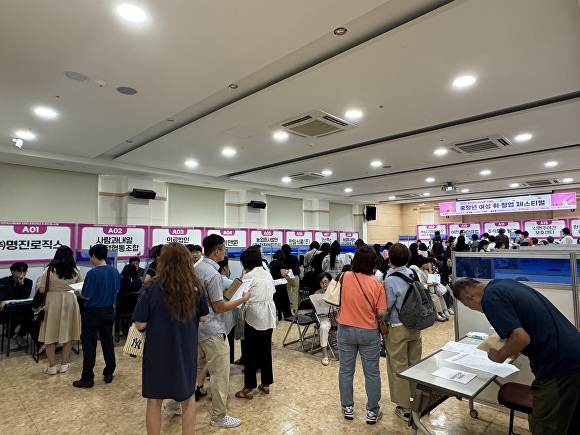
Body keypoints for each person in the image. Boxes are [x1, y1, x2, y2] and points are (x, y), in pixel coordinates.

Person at [452, 278, 580, 435]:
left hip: (559, 365)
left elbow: (521, 338)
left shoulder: (490, 299)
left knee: (544, 426)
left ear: (469, 297)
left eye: (467, 306)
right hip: (573, 353)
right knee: (571, 421)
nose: (473, 309)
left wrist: (498, 356)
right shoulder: (503, 284)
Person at [133, 242, 209, 435]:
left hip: (157, 352)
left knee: (154, 400)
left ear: (162, 261)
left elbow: (140, 324)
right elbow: (204, 317)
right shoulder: (195, 287)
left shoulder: (151, 288)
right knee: (188, 400)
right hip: (185, 350)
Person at [194, 234, 249, 428]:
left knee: (196, 368)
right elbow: (218, 307)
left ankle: (176, 405)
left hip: (197, 328)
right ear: (217, 251)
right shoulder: (213, 275)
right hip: (213, 330)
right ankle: (219, 416)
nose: (225, 252)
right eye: (224, 249)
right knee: (220, 374)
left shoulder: (197, 269)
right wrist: (242, 299)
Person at [337, 246, 387, 425]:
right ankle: (372, 411)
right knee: (372, 372)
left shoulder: (344, 277)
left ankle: (347, 407)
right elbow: (381, 312)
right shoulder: (377, 284)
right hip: (369, 331)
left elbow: (336, 299)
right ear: (374, 263)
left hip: (345, 328)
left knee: (345, 370)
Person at [383, 243, 423, 423]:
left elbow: (387, 307)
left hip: (398, 326)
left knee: (398, 365)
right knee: (415, 363)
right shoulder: (413, 273)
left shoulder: (390, 279)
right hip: (416, 325)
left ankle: (404, 407)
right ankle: (418, 401)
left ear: (390, 259)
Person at [72, 244, 120, 388]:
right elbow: (117, 289)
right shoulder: (114, 271)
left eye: (91, 257)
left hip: (93, 313)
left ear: (94, 256)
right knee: (108, 342)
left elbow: (87, 295)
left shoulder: (92, 273)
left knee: (89, 346)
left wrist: (78, 293)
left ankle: (87, 377)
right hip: (109, 311)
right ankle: (109, 371)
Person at [235, 248, 276, 400]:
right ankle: (266, 383)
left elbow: (239, 296)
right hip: (268, 314)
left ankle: (248, 388)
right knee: (265, 350)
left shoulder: (248, 276)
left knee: (250, 352)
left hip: (253, 316)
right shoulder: (267, 274)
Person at [35, 248, 82, 374]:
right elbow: (80, 288)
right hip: (70, 301)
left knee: (50, 334)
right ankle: (64, 364)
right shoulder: (76, 270)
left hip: (52, 301)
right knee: (69, 333)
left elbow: (41, 290)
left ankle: (51, 366)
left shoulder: (49, 270)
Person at [0, 262, 34, 350]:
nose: (22, 273)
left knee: (32, 314)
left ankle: (19, 335)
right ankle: (9, 337)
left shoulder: (28, 282)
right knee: (12, 313)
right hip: (6, 310)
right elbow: (1, 295)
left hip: (21, 309)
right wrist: (2, 301)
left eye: (24, 271)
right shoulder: (4, 281)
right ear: (12, 271)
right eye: (19, 271)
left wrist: (21, 284)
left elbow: (25, 296)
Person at [410, 257, 448, 322]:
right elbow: (421, 285)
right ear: (422, 264)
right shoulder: (419, 273)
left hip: (431, 289)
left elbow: (431, 278)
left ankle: (443, 310)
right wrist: (431, 284)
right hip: (425, 291)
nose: (428, 265)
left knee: (440, 295)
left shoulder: (425, 271)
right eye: (426, 263)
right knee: (435, 297)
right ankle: (438, 313)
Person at [314, 272, 333, 366]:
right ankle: (325, 355)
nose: (324, 284)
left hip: (335, 317)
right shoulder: (317, 293)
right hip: (323, 317)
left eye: (326, 282)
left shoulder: (334, 292)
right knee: (323, 327)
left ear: (330, 282)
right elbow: (315, 309)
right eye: (322, 283)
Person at [269, 249, 292, 321]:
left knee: (276, 300)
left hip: (274, 283)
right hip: (281, 283)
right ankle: (287, 315)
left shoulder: (271, 263)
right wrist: (287, 271)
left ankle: (278, 316)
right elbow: (283, 274)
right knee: (284, 300)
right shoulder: (281, 263)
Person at [281, 244, 300, 312]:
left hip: (286, 277)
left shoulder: (282, 259)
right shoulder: (294, 257)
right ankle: (295, 308)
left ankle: (286, 309)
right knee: (295, 293)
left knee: (286, 293)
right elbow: (298, 265)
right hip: (295, 276)